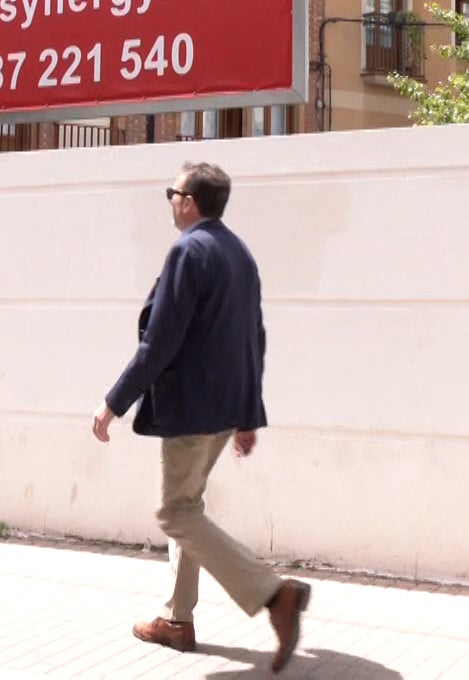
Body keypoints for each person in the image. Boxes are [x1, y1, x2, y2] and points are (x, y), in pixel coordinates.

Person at [92, 162, 310, 673]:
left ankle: (273, 593)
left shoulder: (189, 252)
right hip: (223, 407)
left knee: (175, 514)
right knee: (187, 506)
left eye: (172, 192)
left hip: (191, 407)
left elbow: (160, 341)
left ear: (189, 201)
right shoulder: (240, 253)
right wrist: (248, 415)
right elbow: (254, 337)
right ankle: (177, 619)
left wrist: (113, 402)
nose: (169, 200)